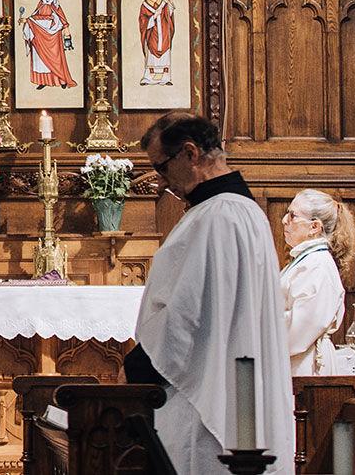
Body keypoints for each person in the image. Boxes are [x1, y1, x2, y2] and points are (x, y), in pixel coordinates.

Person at [124, 111, 293, 473]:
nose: (161, 182)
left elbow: (185, 318)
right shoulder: (245, 212)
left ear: (190, 154)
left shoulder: (215, 217)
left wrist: (135, 369)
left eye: (162, 168)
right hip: (237, 386)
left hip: (206, 397)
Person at [280, 189, 355, 376]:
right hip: (295, 359)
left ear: (314, 227)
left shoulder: (317, 265)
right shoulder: (307, 260)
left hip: (304, 363)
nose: (284, 220)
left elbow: (301, 327)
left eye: (293, 215)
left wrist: (259, 326)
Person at [20, 0, 77, 89]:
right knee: (40, 59)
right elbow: (36, 17)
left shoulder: (55, 4)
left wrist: (67, 34)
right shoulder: (41, 2)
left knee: (56, 59)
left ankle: (62, 80)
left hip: (53, 36)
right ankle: (43, 81)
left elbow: (62, 20)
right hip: (40, 36)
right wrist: (27, 20)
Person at [138, 0, 176, 85]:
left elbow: (169, 14)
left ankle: (165, 78)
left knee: (164, 53)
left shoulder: (163, 3)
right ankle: (148, 77)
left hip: (163, 34)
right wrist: (154, 16)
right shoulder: (145, 6)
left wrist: (171, 4)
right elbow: (142, 21)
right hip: (152, 35)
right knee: (152, 55)